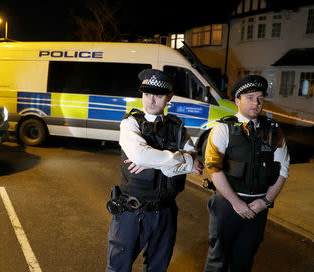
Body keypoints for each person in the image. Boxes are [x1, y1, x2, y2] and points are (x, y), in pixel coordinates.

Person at [105, 69, 203, 272]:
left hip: (165, 211)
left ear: (169, 97)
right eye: (147, 94)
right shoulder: (130, 122)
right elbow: (141, 155)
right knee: (118, 268)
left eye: (158, 95)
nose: (151, 100)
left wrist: (153, 160)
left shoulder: (176, 127)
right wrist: (177, 160)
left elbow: (195, 162)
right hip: (132, 212)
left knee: (158, 268)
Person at [203, 75, 290, 272]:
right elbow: (214, 168)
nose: (256, 103)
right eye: (249, 97)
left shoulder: (273, 131)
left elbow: (283, 170)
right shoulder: (223, 128)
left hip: (258, 206)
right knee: (217, 261)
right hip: (226, 206)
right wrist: (236, 202)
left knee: (244, 260)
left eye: (260, 98)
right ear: (237, 100)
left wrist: (266, 201)